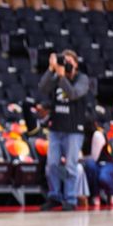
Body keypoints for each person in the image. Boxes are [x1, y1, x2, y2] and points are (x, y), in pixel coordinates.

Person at [38, 49, 90, 212]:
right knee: (51, 164)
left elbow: (73, 94)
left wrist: (61, 76)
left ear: (76, 64)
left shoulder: (82, 79)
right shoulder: (57, 76)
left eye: (69, 62)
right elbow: (42, 88)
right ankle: (54, 196)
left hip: (74, 129)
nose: (65, 65)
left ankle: (70, 199)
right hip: (56, 128)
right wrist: (51, 69)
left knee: (70, 166)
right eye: (63, 61)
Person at [82, 117, 113, 208]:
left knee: (103, 178)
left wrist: (78, 158)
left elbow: (95, 157)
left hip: (106, 163)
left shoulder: (97, 134)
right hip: (95, 164)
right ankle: (95, 195)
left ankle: (112, 194)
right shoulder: (82, 137)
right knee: (90, 166)